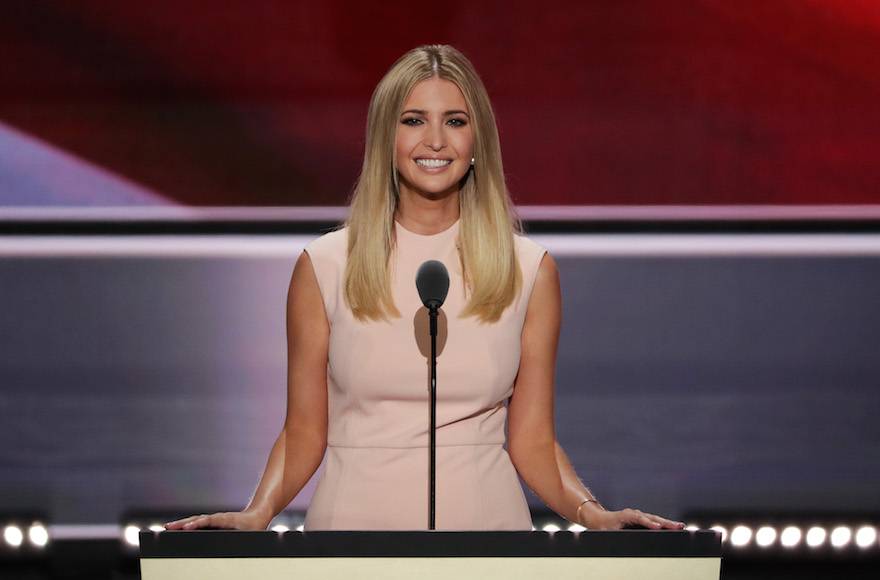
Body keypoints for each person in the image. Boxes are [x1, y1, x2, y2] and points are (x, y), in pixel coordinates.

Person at [166, 44, 683, 532]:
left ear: (477, 140)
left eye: (455, 122)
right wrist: (258, 512)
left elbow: (534, 441)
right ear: (385, 139)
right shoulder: (324, 265)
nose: (435, 140)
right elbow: (304, 431)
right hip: (351, 537)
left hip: (486, 537)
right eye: (414, 121)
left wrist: (592, 514)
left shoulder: (528, 270)